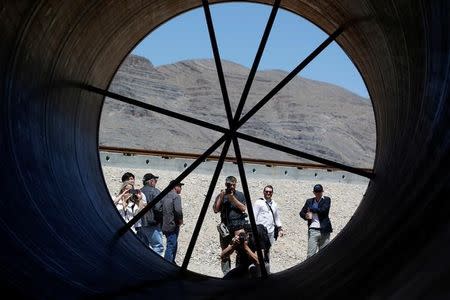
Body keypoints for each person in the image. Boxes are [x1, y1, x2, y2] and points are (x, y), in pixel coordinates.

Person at [213, 176, 248, 275]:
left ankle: (239, 272)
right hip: (225, 227)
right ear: (226, 184)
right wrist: (221, 196)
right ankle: (226, 273)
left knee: (240, 250)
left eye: (233, 184)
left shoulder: (240, 195)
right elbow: (216, 209)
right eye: (229, 184)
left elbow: (243, 208)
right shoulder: (221, 195)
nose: (232, 187)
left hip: (238, 226)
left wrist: (232, 198)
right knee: (225, 250)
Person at [299, 184, 333, 258]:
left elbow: (324, 210)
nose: (318, 193)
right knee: (310, 254)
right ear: (314, 192)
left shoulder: (326, 199)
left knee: (324, 255)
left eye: (319, 191)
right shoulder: (309, 201)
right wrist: (306, 216)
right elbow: (301, 213)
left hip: (324, 230)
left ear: (322, 191)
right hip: (313, 230)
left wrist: (311, 209)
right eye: (316, 191)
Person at [253, 185, 284, 263]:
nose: (268, 193)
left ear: (272, 193)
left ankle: (267, 268)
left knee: (267, 250)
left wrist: (280, 228)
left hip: (270, 231)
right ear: (263, 192)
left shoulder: (274, 204)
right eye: (266, 191)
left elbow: (276, 217)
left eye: (270, 192)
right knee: (260, 250)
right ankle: (259, 269)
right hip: (260, 232)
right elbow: (253, 216)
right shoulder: (258, 203)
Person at [140, 173, 164, 256]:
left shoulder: (139, 191)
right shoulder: (155, 191)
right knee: (158, 247)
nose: (155, 183)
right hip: (152, 223)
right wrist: (160, 220)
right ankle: (155, 267)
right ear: (151, 181)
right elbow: (158, 208)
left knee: (143, 247)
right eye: (155, 181)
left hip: (140, 223)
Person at [161, 180, 184, 263]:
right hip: (173, 225)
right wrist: (180, 220)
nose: (181, 188)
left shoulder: (164, 196)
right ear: (175, 187)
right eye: (180, 186)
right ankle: (167, 264)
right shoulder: (176, 196)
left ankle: (172, 262)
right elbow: (178, 210)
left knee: (172, 244)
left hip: (164, 224)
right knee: (171, 245)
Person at [120, 172, 147, 241]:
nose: (133, 181)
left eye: (133, 179)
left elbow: (143, 208)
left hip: (137, 225)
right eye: (130, 179)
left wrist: (139, 200)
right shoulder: (120, 195)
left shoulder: (139, 193)